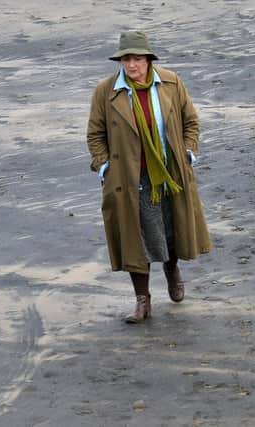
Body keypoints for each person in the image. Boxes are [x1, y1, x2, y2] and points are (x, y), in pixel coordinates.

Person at [87, 31, 212, 323]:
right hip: (128, 177)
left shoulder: (170, 82)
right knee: (135, 237)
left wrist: (188, 154)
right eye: (126, 59)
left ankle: (171, 269)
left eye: (137, 58)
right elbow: (95, 135)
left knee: (171, 227)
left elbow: (190, 122)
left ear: (148, 59)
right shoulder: (106, 91)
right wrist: (105, 167)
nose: (132, 65)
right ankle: (142, 300)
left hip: (169, 172)